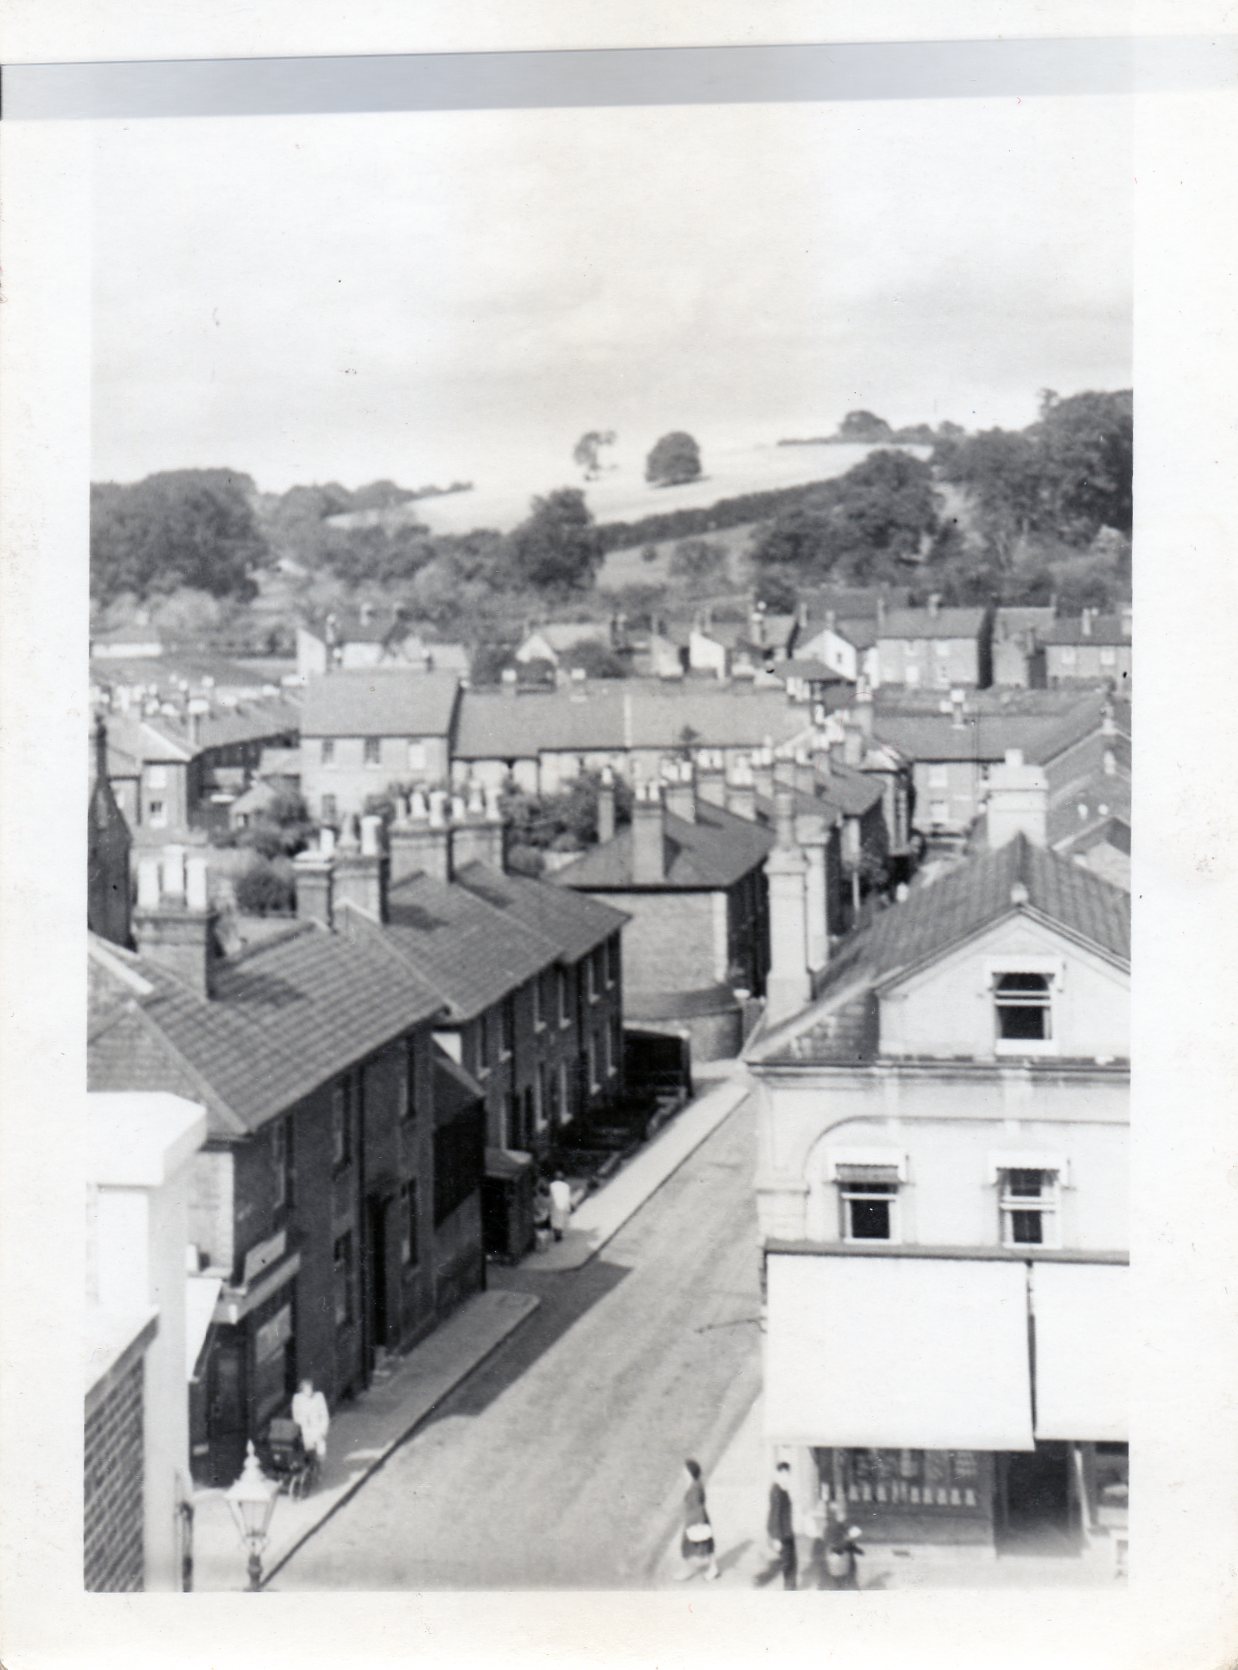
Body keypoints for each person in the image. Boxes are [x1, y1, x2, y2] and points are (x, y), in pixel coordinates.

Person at [675, 1459, 720, 1581]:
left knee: (689, 1546)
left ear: (690, 1472)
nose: (683, 1473)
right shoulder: (695, 1484)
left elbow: (698, 1506)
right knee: (706, 1545)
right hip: (697, 1519)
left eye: (685, 1471)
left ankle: (689, 1570)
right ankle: (712, 1568)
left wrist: (698, 1524)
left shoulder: (694, 1488)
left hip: (695, 1521)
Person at [757, 1460, 797, 1590]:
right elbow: (775, 1515)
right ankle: (789, 1591)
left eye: (788, 1474)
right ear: (778, 1474)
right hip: (782, 1534)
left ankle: (790, 1589)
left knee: (790, 1564)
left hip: (786, 1532)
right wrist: (776, 1538)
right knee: (788, 1565)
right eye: (784, 1474)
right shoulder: (777, 1491)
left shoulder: (782, 1490)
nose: (787, 1476)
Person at [823, 1501, 864, 1590]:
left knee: (848, 1584)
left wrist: (857, 1549)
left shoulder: (840, 1526)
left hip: (844, 1564)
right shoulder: (832, 1528)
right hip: (839, 1565)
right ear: (834, 1514)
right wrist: (848, 1538)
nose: (844, 1514)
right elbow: (836, 1548)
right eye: (841, 1512)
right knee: (842, 1586)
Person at [290, 1378, 330, 1469]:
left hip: (317, 1429)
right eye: (307, 1389)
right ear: (302, 1390)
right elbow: (296, 1416)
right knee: (305, 1448)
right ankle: (308, 1465)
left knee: (320, 1449)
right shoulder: (297, 1399)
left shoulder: (319, 1397)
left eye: (310, 1388)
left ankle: (318, 1467)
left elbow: (324, 1416)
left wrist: (323, 1431)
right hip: (304, 1430)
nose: (309, 1391)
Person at [548, 1171, 572, 1242]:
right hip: (563, 1204)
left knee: (555, 1219)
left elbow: (550, 1196)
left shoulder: (551, 1185)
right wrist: (568, 1207)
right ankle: (559, 1234)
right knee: (561, 1220)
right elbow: (567, 1197)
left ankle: (557, 1234)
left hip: (554, 1204)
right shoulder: (566, 1186)